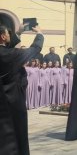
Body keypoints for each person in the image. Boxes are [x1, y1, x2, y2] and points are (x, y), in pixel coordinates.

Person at [0, 24, 44, 155]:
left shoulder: (8, 52)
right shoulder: (12, 55)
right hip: (13, 99)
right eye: (8, 33)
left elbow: (7, 47)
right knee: (17, 131)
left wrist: (19, 32)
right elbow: (34, 49)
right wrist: (40, 34)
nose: (9, 36)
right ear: (2, 36)